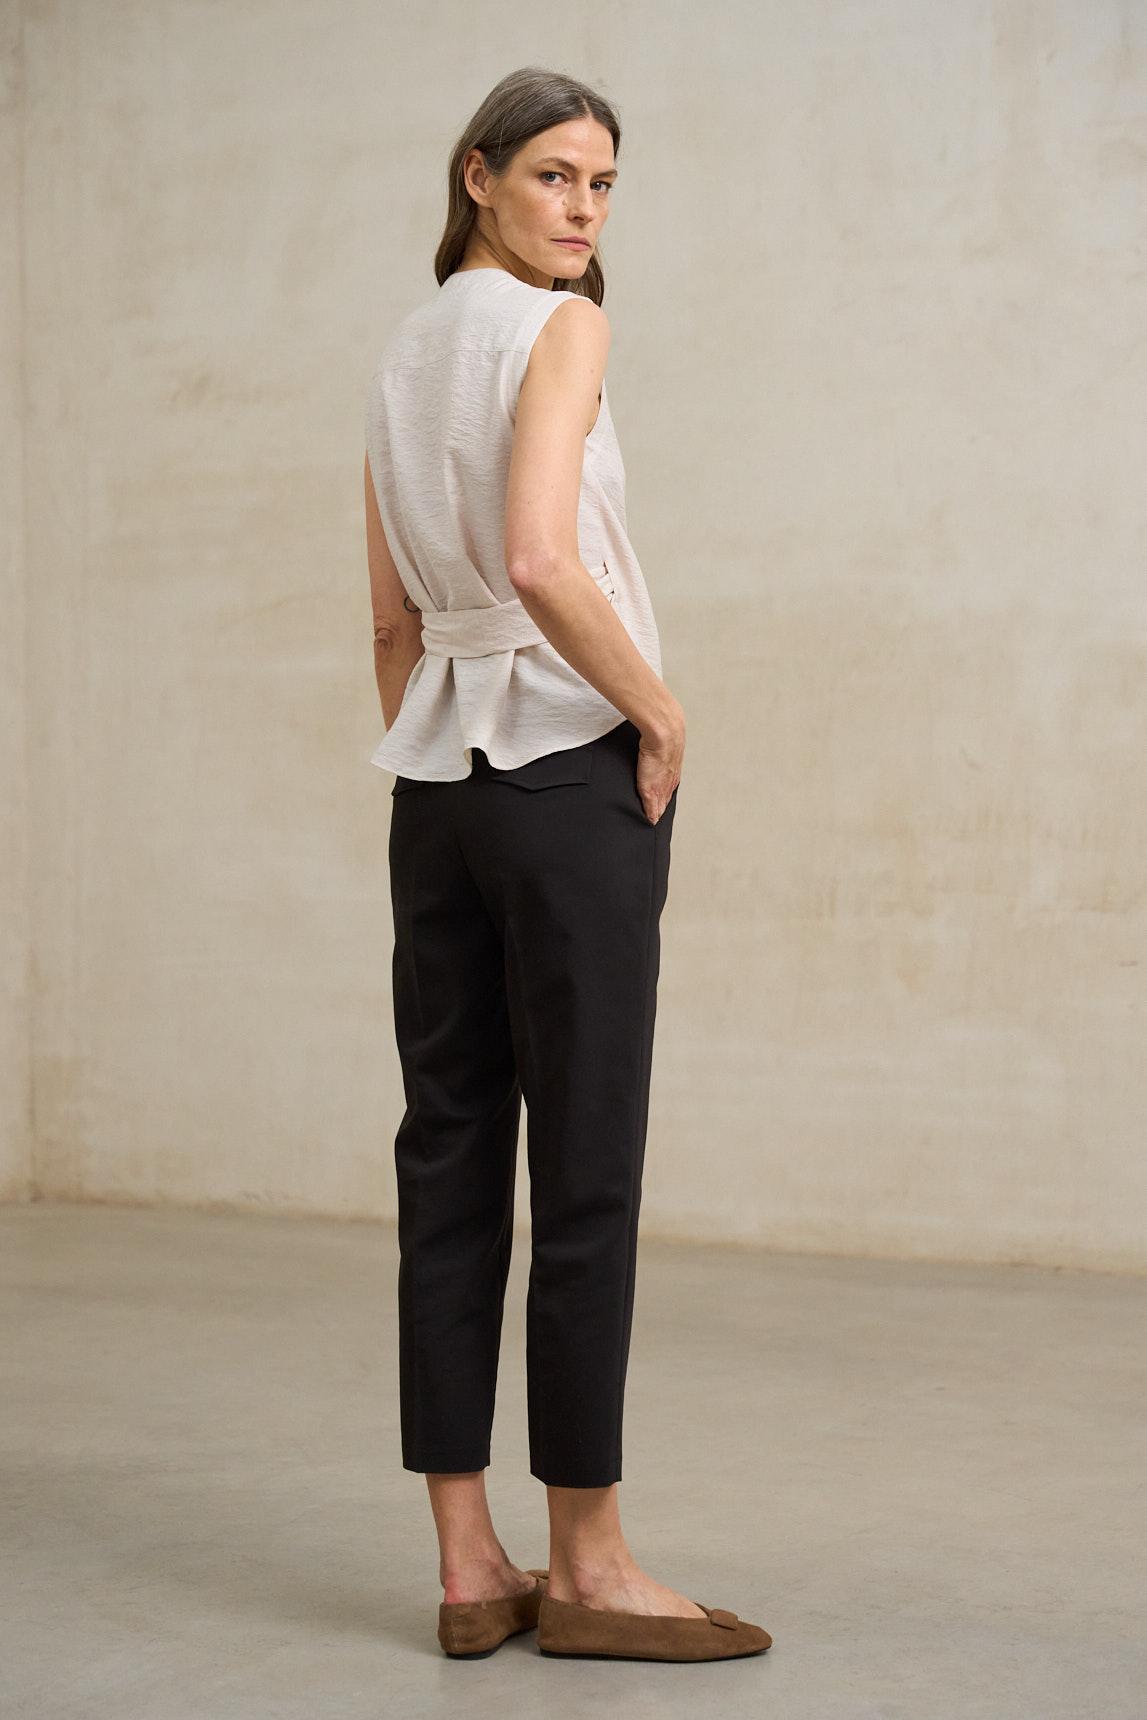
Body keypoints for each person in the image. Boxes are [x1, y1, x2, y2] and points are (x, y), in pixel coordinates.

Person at [363, 66, 771, 1664]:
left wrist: (439, 747)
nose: (584, 208)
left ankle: (471, 1564)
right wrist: (657, 714)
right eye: (553, 175)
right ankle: (588, 1562)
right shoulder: (560, 328)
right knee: (585, 1164)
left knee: (450, 1154)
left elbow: (391, 619)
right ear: (477, 175)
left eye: (602, 183)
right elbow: (540, 556)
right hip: (566, 774)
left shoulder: (406, 347)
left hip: (438, 789)